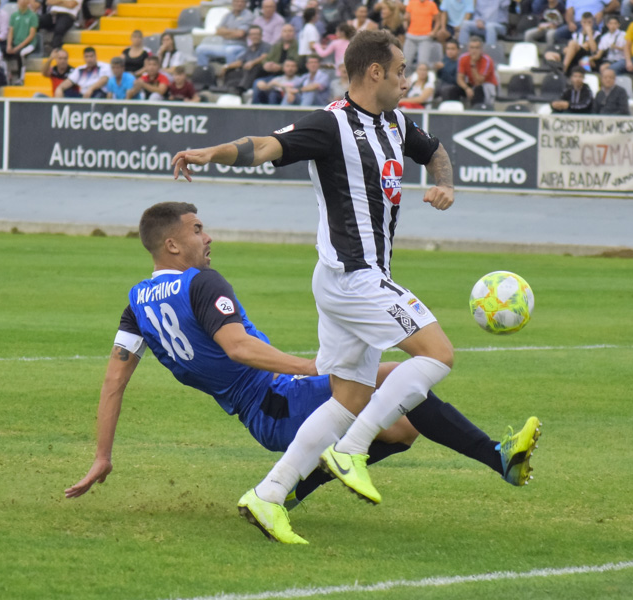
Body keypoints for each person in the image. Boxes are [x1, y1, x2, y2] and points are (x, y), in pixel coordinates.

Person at [170, 30, 539, 544]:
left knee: (347, 398)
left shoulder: (396, 122)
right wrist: (212, 152)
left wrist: (445, 183)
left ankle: (269, 495)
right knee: (437, 354)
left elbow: (436, 152)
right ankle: (352, 449)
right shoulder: (331, 124)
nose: (408, 78)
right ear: (374, 73)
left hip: (354, 280)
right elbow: (266, 146)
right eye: (402, 70)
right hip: (353, 276)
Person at [64, 203, 540, 542]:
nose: (207, 237)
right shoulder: (200, 282)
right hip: (277, 396)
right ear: (172, 244)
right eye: (197, 229)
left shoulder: (137, 304)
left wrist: (102, 455)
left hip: (260, 413)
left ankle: (286, 493)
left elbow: (113, 381)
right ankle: (498, 457)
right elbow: (238, 346)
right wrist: (308, 366)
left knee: (401, 417)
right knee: (399, 387)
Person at [196, 0, 254, 66]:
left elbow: (240, 34)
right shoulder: (228, 15)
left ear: (245, 3)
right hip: (224, 44)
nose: (239, 4)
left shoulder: (248, 15)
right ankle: (204, 71)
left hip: (240, 46)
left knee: (229, 51)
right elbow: (218, 31)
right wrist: (234, 31)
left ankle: (230, 73)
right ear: (232, 3)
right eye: (237, 1)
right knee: (201, 49)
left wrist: (225, 32)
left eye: (241, 2)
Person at [217, 24, 270, 93]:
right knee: (231, 71)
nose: (255, 36)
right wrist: (226, 67)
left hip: (260, 73)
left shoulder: (266, 46)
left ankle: (242, 89)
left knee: (254, 67)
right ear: (249, 36)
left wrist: (252, 63)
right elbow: (240, 62)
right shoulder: (249, 49)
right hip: (247, 73)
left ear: (261, 36)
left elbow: (264, 57)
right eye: (253, 34)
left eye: (257, 34)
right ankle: (226, 88)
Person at [456, 35, 497, 107]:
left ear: (481, 49)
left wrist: (473, 64)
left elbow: (479, 81)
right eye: (472, 48)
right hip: (471, 84)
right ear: (468, 48)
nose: (474, 51)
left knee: (478, 90)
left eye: (477, 48)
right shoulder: (463, 58)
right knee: (452, 89)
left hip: (486, 85)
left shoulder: (487, 60)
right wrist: (467, 88)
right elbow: (459, 78)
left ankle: (476, 111)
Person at [5, 0, 38, 83]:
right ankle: (7, 76)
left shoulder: (33, 16)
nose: (22, 1)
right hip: (16, 43)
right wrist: (9, 45)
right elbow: (10, 32)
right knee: (3, 51)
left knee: (21, 53)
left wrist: (17, 48)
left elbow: (31, 35)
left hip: (29, 44)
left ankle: (21, 78)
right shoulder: (14, 16)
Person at [402, 0, 438, 67]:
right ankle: (404, 76)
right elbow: (406, 15)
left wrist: (434, 32)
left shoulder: (432, 5)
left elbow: (438, 21)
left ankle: (420, 77)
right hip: (411, 36)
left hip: (425, 37)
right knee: (405, 61)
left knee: (423, 63)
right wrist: (405, 22)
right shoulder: (412, 2)